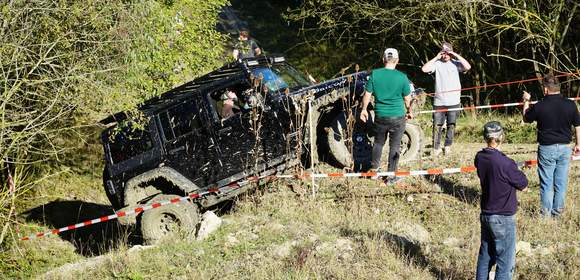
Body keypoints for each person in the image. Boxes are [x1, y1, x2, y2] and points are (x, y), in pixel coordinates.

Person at [475, 121, 528, 280]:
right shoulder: (506, 163)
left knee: (485, 257)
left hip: (486, 214)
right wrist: (515, 168)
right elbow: (523, 185)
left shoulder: (480, 157)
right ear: (501, 137)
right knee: (505, 262)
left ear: (485, 137)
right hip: (503, 217)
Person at [522, 73, 580, 217]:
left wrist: (526, 101)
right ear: (558, 88)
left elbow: (526, 118)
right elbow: (578, 125)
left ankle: (545, 215)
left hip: (546, 148)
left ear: (546, 90)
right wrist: (578, 144)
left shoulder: (540, 105)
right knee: (561, 183)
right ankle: (557, 213)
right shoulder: (570, 104)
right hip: (565, 148)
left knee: (546, 184)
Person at [360, 48, 412, 185]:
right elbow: (407, 99)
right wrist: (409, 110)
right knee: (394, 146)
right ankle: (391, 176)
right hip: (398, 117)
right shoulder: (402, 77)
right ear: (397, 61)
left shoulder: (375, 75)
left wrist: (364, 109)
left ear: (383, 59)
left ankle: (374, 171)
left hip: (380, 115)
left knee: (378, 143)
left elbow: (367, 94)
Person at [421, 42, 471, 156]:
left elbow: (468, 66)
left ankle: (447, 146)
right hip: (439, 101)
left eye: (447, 53)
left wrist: (455, 54)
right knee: (437, 125)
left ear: (451, 53)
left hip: (454, 101)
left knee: (451, 124)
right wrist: (436, 57)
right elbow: (424, 69)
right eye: (443, 53)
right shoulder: (437, 64)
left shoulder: (456, 63)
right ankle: (436, 148)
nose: (445, 55)